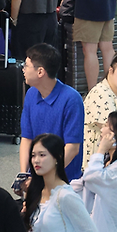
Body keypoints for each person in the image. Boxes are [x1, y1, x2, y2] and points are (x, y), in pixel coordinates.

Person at [19, 42, 85, 179]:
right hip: (37, 176)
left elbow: (72, 148)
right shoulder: (31, 95)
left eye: (26, 65)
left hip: (65, 180)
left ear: (40, 72)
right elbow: (26, 139)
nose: (23, 69)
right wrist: (24, 175)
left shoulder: (71, 99)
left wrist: (49, 176)